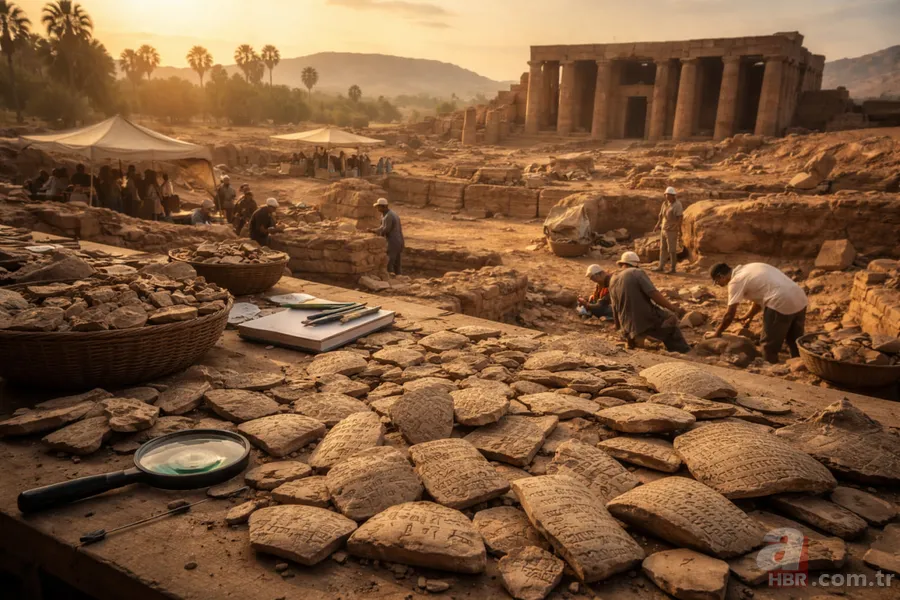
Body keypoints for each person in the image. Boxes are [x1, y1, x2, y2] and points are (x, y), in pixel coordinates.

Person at [708, 262, 809, 364]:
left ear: (720, 276)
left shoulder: (735, 281)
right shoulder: (751, 267)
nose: (719, 285)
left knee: (768, 345)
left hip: (780, 301)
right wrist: (748, 316)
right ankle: (801, 364)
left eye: (717, 282)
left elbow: (729, 315)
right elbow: (759, 299)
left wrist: (717, 333)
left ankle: (770, 369)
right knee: (795, 340)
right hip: (800, 298)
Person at [608, 251, 689, 353]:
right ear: (636, 264)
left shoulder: (613, 279)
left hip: (627, 328)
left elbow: (614, 307)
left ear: (621, 264)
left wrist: (619, 328)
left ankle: (633, 339)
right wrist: (674, 309)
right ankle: (682, 350)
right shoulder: (636, 272)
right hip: (644, 321)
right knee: (670, 320)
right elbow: (653, 294)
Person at [653, 186, 684, 273]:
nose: (667, 198)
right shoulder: (665, 203)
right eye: (666, 196)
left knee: (672, 250)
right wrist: (657, 225)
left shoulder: (677, 205)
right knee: (663, 248)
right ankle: (661, 266)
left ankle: (673, 268)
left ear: (673, 196)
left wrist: (678, 228)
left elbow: (680, 218)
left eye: (669, 196)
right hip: (664, 228)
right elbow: (661, 216)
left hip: (672, 230)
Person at [373, 197, 404, 275]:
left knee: (389, 261)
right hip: (399, 240)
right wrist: (375, 230)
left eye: (378, 207)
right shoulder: (391, 214)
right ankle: (399, 277)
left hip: (393, 241)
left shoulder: (388, 216)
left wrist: (375, 232)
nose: (377, 209)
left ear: (383, 206)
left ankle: (389, 277)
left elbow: (386, 229)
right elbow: (383, 227)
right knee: (397, 262)